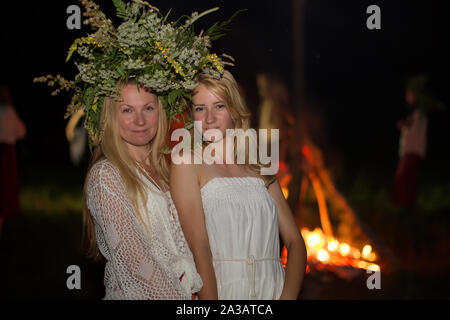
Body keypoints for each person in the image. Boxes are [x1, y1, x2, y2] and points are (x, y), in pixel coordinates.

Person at [33, 0, 236, 299]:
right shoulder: (107, 176)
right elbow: (138, 264)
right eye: (127, 110)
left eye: (148, 108)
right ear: (111, 117)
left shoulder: (168, 169)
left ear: (160, 112)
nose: (140, 120)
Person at [170, 70, 307, 300]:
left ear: (234, 110)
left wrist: (288, 297)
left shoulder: (259, 163)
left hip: (273, 291)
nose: (209, 118)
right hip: (224, 293)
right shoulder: (187, 163)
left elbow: (295, 243)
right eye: (200, 108)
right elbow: (199, 248)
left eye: (219, 106)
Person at [0, 84, 26, 238]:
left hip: (6, 151)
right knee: (4, 187)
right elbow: (22, 131)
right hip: (6, 153)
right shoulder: (9, 112)